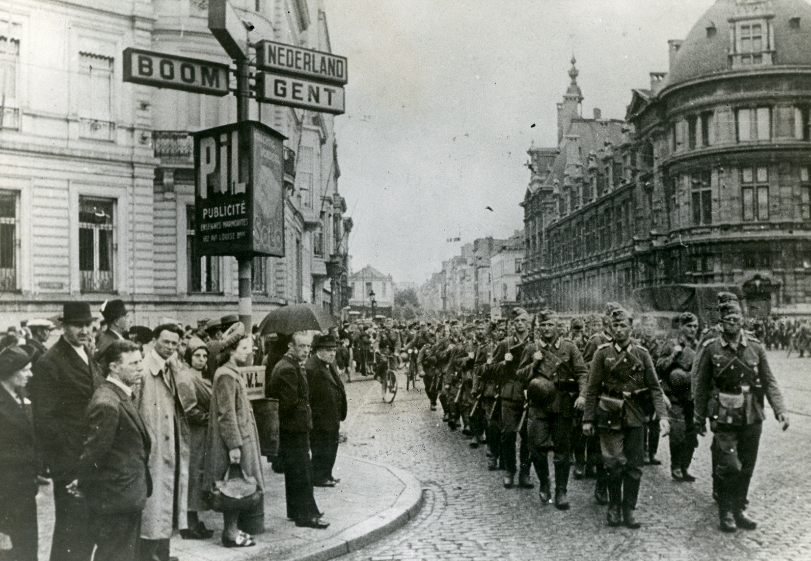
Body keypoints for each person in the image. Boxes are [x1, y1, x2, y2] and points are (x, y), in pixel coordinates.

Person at [692, 301, 789, 533]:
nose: (733, 323)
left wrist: (780, 410)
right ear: (721, 323)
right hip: (724, 414)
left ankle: (739, 508)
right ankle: (725, 510)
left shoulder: (755, 347)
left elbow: (769, 381)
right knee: (729, 465)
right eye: (728, 319)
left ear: (742, 320)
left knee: (746, 465)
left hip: (752, 414)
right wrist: (699, 416)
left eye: (737, 319)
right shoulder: (711, 348)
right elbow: (701, 384)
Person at [583, 308, 669, 529]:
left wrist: (662, 416)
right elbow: (592, 389)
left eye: (623, 326)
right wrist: (588, 419)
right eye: (616, 326)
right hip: (609, 412)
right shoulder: (602, 354)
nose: (619, 330)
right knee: (613, 464)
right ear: (610, 328)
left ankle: (629, 508)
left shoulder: (642, 354)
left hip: (634, 414)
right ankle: (614, 506)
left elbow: (654, 388)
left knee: (634, 465)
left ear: (631, 328)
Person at [30, 302, 102, 561]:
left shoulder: (86, 354)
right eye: (77, 325)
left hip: (90, 458)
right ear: (64, 326)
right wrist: (71, 463)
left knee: (86, 530)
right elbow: (45, 420)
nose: (84, 330)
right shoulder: (50, 362)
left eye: (87, 324)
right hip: (70, 463)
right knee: (71, 530)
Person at [74, 341, 151, 561]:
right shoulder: (108, 402)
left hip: (124, 495)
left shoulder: (117, 395)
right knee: (116, 555)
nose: (140, 367)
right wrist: (82, 482)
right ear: (114, 367)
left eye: (140, 361)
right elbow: (94, 452)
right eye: (133, 363)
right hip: (116, 497)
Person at [517, 309, 587, 510]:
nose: (547, 328)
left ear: (558, 327)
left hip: (562, 405)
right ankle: (545, 481)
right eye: (543, 325)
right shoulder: (532, 348)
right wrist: (534, 363)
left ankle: (561, 491)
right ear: (538, 327)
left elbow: (582, 373)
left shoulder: (569, 347)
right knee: (536, 448)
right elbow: (520, 375)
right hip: (538, 406)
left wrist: (582, 395)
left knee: (562, 451)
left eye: (550, 325)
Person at [203, 329, 265, 547]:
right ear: (231, 351)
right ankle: (230, 534)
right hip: (233, 442)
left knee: (237, 486)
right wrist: (234, 446)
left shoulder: (230, 371)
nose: (249, 352)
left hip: (240, 437)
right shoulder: (226, 375)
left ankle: (233, 530)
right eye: (244, 348)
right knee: (232, 487)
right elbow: (226, 413)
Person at [136, 324, 190, 561]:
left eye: (174, 343)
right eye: (165, 341)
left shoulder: (172, 367)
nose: (170, 347)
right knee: (153, 506)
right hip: (153, 446)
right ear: (154, 341)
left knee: (166, 499)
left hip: (170, 443)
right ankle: (150, 555)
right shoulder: (143, 370)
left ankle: (163, 553)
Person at [267, 332, 328, 529]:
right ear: (290, 346)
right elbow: (290, 402)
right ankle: (306, 515)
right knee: (302, 472)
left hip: (291, 428)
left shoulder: (289, 365)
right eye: (301, 346)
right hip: (294, 428)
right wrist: (305, 410)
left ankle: (296, 511)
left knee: (295, 471)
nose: (306, 350)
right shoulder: (288, 368)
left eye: (308, 346)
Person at [0, 345, 38, 561]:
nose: (30, 374)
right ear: (10, 372)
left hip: (24, 491)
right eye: (25, 370)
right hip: (7, 496)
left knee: (27, 550)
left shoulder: (19, 395)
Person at [175, 337, 214, 540]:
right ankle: (189, 524)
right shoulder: (185, 377)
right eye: (197, 355)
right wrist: (211, 419)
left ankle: (194, 520)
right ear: (189, 357)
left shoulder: (200, 376)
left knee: (198, 475)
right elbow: (189, 410)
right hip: (193, 433)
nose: (201, 359)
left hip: (203, 433)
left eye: (205, 356)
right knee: (192, 476)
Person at [656, 312, 699, 482]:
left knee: (691, 435)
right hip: (674, 397)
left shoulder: (699, 347)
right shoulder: (671, 344)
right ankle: (676, 466)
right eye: (689, 326)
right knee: (678, 434)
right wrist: (674, 355)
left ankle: (685, 467)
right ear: (681, 327)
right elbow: (659, 367)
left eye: (695, 326)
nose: (692, 329)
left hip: (692, 398)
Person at [305, 334, 348, 487]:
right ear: (319, 350)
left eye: (334, 350)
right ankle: (319, 477)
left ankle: (327, 474)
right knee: (321, 448)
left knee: (330, 447)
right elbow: (309, 396)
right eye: (328, 350)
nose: (332, 353)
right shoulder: (312, 367)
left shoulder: (328, 364)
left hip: (331, 416)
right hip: (321, 418)